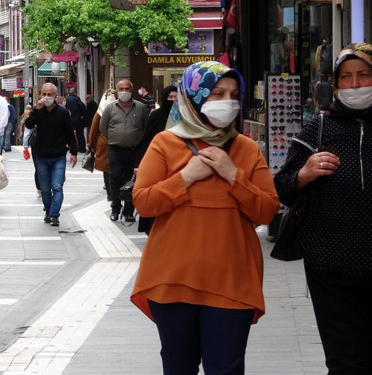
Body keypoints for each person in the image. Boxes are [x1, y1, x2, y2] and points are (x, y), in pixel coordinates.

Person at [130, 61, 279, 375]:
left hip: (231, 280)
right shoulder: (165, 143)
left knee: (226, 367)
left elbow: (266, 210)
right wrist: (185, 177)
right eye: (217, 93)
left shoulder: (247, 149)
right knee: (178, 366)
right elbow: (144, 202)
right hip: (172, 279)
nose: (227, 101)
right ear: (195, 97)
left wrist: (232, 175)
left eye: (233, 94)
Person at [274, 42, 372, 373]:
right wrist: (304, 174)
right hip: (330, 265)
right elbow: (282, 188)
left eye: (364, 75)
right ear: (335, 83)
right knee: (344, 359)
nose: (356, 85)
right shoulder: (319, 127)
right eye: (346, 77)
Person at [24, 83, 78, 227]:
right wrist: (36, 110)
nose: (47, 97)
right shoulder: (38, 111)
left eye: (50, 95)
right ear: (40, 95)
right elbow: (28, 125)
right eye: (44, 94)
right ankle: (48, 211)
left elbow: (69, 133)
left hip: (59, 155)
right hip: (41, 155)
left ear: (55, 96)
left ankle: (54, 214)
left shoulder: (63, 112)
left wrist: (74, 152)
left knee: (57, 186)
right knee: (45, 189)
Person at [99, 79, 148, 223]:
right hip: (115, 150)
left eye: (127, 89)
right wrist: (114, 138)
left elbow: (145, 128)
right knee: (114, 179)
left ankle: (128, 211)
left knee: (132, 180)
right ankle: (115, 208)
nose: (124, 92)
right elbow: (103, 128)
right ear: (116, 91)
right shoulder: (109, 108)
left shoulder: (141, 108)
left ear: (131, 90)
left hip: (134, 151)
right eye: (121, 89)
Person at [134, 85, 178, 235]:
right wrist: (139, 163)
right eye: (170, 97)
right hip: (157, 163)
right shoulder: (156, 116)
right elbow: (145, 140)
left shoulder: (184, 118)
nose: (173, 101)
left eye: (176, 98)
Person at [65, 88, 87, 153]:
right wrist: (82, 115)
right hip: (77, 119)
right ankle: (82, 148)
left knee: (70, 134)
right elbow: (82, 107)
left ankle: (72, 148)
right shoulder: (77, 99)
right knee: (80, 134)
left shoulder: (67, 99)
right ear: (74, 93)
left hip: (69, 119)